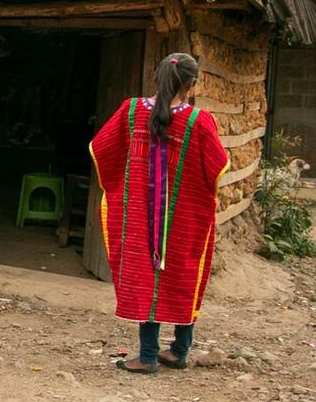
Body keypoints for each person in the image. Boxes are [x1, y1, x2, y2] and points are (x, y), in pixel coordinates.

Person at [89, 53, 229, 373]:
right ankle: (179, 350)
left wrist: (125, 185)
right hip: (185, 217)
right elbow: (217, 167)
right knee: (184, 273)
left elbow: (102, 148)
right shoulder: (199, 122)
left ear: (159, 78)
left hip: (139, 216)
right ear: (191, 84)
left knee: (145, 274)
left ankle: (148, 355)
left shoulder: (131, 111)